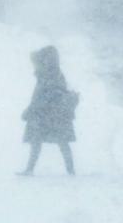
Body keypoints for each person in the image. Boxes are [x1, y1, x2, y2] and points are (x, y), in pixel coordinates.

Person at [17, 45, 77, 176]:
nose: (34, 65)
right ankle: (70, 170)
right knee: (54, 142)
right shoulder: (52, 74)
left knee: (41, 141)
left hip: (48, 115)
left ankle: (31, 169)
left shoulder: (49, 76)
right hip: (54, 115)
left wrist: (30, 110)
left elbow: (42, 97)